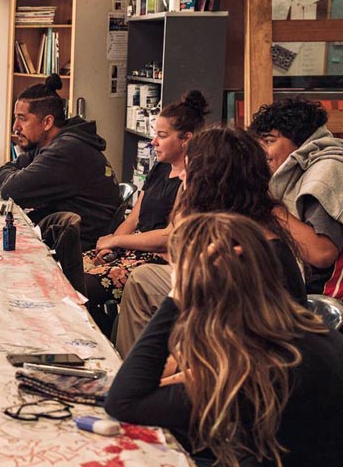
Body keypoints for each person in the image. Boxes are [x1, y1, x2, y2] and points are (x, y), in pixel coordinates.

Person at [105, 212, 343, 467]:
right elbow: (231, 421)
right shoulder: (286, 335)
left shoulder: (269, 364)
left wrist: (174, 299)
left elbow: (125, 400)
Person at [114, 127, 307, 356]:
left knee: (142, 282)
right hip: (235, 358)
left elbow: (228, 354)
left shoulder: (241, 252)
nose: (183, 175)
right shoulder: (241, 225)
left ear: (210, 179)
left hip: (256, 372)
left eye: (189, 168)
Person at [81, 91, 208, 332]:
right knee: (66, 274)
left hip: (155, 258)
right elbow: (134, 217)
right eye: (154, 135)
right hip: (132, 248)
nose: (154, 142)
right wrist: (109, 246)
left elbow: (168, 237)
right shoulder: (160, 169)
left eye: (162, 135)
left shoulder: (193, 180)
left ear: (186, 139)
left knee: (84, 288)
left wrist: (117, 240)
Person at [0, 74, 120, 250]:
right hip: (63, 234)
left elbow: (11, 191)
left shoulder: (66, 150)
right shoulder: (47, 143)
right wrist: (14, 176)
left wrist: (14, 177)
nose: (15, 126)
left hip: (83, 246)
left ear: (47, 122)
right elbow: (6, 170)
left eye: (22, 118)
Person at [250, 97, 343, 296]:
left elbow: (322, 253)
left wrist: (265, 205)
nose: (262, 151)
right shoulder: (297, 170)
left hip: (321, 299)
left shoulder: (327, 170)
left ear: (301, 141)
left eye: (269, 141)